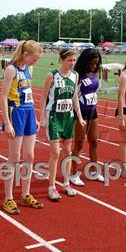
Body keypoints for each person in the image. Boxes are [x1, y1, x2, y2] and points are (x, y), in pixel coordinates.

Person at [0, 40, 44, 214]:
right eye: (34, 58)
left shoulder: (29, 69)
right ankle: (8, 198)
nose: (36, 62)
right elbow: (3, 97)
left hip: (28, 112)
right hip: (15, 112)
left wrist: (34, 116)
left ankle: (25, 194)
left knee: (29, 155)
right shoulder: (11, 69)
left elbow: (29, 93)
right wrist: (7, 122)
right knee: (14, 156)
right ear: (25, 55)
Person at [39, 49, 86, 201]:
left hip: (68, 118)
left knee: (67, 151)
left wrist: (79, 117)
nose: (72, 63)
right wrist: (43, 117)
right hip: (54, 117)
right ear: (61, 60)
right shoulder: (51, 76)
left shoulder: (75, 75)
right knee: (55, 152)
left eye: (74, 60)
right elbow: (43, 97)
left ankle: (66, 183)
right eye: (69, 60)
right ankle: (52, 187)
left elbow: (74, 98)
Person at [70, 48, 104, 186]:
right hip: (80, 112)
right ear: (85, 61)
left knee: (94, 141)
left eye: (96, 63)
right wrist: (78, 114)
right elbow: (74, 95)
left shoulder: (95, 73)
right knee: (79, 142)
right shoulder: (78, 74)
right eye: (91, 63)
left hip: (92, 111)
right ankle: (73, 174)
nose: (94, 66)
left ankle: (94, 171)